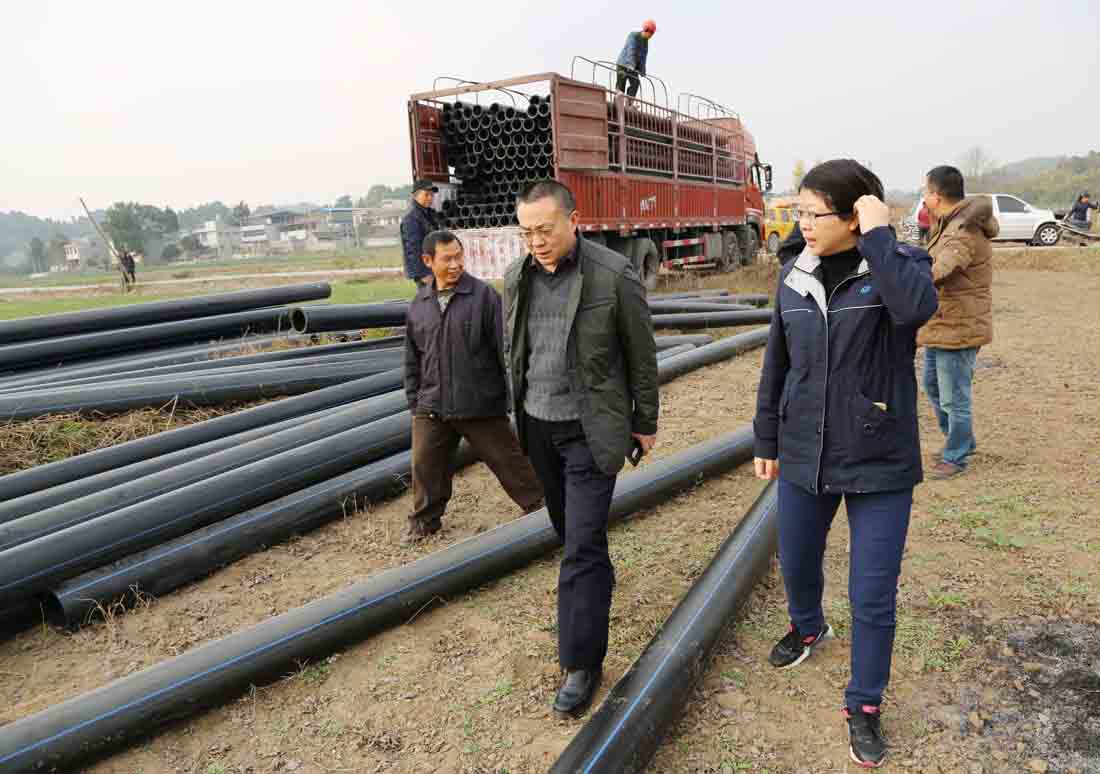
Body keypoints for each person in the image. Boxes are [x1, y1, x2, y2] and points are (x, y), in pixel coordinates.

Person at [753, 160, 938, 768]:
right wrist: (767, 438)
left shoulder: (899, 266)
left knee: (872, 592)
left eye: (815, 213)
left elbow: (914, 311)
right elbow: (777, 364)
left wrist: (881, 235)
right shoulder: (795, 275)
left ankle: (865, 703)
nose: (802, 223)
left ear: (856, 216)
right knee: (797, 560)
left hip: (878, 454)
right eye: (800, 211)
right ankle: (808, 627)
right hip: (804, 449)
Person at [503, 180, 658, 719]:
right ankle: (593, 587)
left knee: (582, 547)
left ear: (574, 220)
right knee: (572, 534)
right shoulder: (516, 278)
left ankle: (581, 662)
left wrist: (645, 421)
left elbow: (641, 354)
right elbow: (514, 349)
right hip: (538, 428)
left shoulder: (613, 274)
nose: (536, 242)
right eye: (526, 232)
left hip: (591, 431)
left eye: (545, 230)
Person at [402, 230, 544, 544]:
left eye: (459, 256)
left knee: (508, 459)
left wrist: (510, 396)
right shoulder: (420, 304)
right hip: (432, 404)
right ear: (428, 261)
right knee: (425, 465)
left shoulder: (483, 297)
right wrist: (415, 402)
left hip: (478, 400)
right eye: (447, 259)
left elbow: (505, 350)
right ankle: (425, 522)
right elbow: (412, 358)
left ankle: (539, 505)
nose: (455, 264)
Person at [919, 165, 998, 480]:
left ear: (936, 196)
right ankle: (962, 440)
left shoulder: (962, 230)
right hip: (944, 322)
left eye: (925, 192)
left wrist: (906, 278)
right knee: (933, 385)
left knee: (954, 396)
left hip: (959, 325)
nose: (924, 198)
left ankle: (956, 454)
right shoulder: (949, 224)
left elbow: (941, 270)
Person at [401, 180, 443, 288]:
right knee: (429, 298)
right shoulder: (411, 219)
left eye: (432, 195)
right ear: (415, 196)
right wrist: (423, 275)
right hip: (425, 273)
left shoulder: (430, 214)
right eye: (426, 195)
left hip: (435, 267)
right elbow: (413, 249)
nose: (430, 198)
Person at [614, 20, 656, 98]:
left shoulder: (645, 42)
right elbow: (631, 50)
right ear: (646, 30)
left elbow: (643, 57)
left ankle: (629, 101)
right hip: (623, 65)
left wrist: (642, 70)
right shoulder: (633, 35)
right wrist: (631, 65)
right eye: (651, 33)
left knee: (635, 83)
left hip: (633, 68)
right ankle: (617, 102)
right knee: (621, 85)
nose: (651, 36)